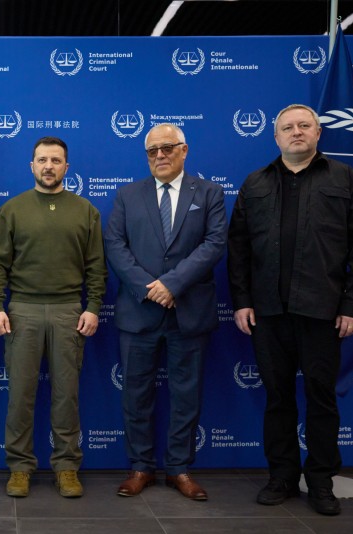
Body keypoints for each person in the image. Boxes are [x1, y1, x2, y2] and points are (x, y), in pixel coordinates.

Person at [228, 104, 353, 516]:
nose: (296, 132)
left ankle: (322, 481)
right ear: (275, 137)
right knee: (277, 398)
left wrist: (352, 304)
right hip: (268, 312)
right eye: (288, 127)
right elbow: (238, 248)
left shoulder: (344, 179)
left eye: (304, 126)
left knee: (321, 399)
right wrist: (242, 301)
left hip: (323, 311)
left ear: (318, 132)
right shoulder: (255, 183)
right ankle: (282, 477)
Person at [104, 123, 227, 501]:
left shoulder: (209, 193)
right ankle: (140, 467)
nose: (160, 155)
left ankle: (179, 469)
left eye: (168, 148)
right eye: (152, 150)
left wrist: (172, 285)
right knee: (135, 395)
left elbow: (214, 243)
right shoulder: (128, 195)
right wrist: (150, 289)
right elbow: (115, 245)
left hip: (189, 313)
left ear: (184, 150)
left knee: (186, 396)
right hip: (139, 312)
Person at [0, 136, 107, 499]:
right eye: (42, 160)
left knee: (66, 396)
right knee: (20, 395)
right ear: (32, 166)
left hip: (69, 310)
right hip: (21, 310)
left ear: (66, 167)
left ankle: (67, 467)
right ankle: (19, 467)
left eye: (56, 161)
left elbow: (96, 266)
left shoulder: (86, 211)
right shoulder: (12, 210)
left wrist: (93, 306)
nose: (49, 166)